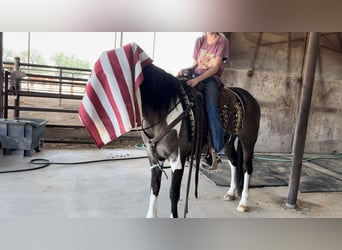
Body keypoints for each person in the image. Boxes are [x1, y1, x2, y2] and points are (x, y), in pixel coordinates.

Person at [178, 32, 229, 170]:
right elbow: (195, 64)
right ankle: (187, 142)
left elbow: (216, 68)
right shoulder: (199, 40)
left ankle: (217, 150)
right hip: (195, 76)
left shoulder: (222, 41)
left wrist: (197, 80)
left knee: (211, 107)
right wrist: (185, 70)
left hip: (211, 79)